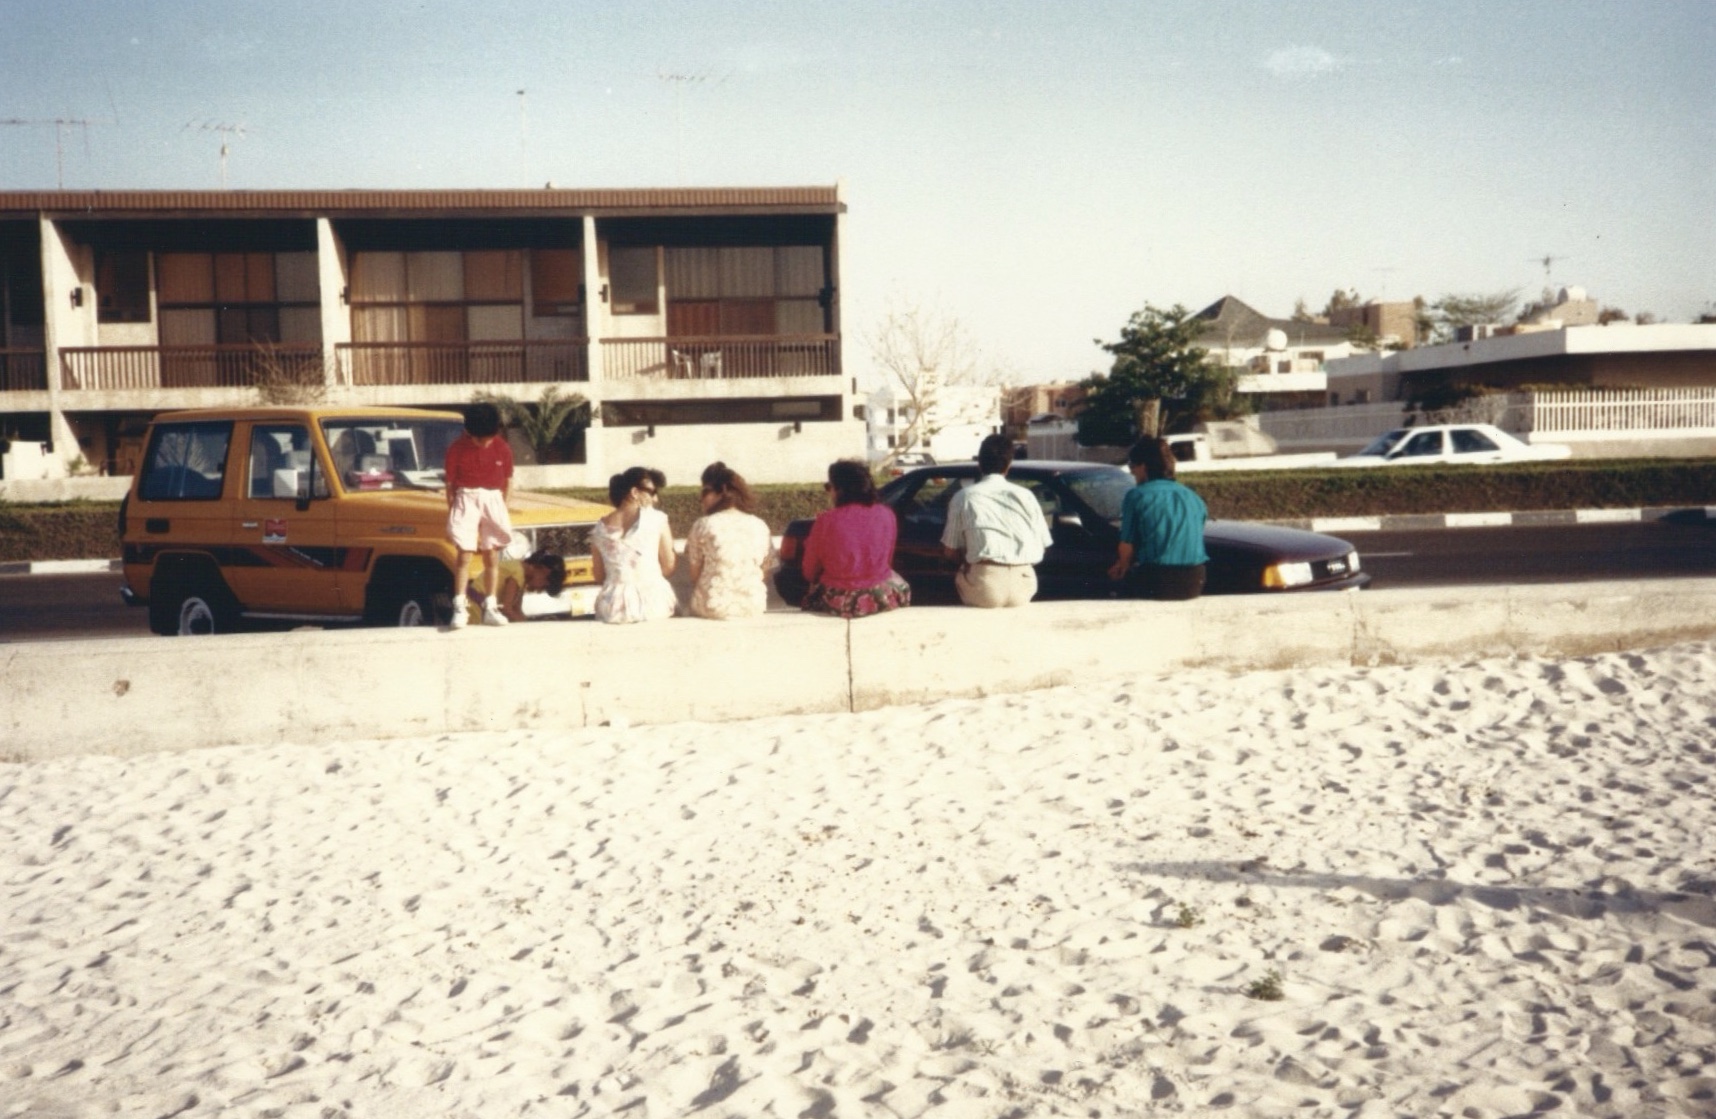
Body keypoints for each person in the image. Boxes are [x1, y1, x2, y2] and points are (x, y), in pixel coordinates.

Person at [940, 433, 1054, 608]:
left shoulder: (963, 497)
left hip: (984, 586)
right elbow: (1044, 543)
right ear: (1008, 466)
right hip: (1024, 585)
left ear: (979, 463)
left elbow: (949, 551)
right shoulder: (1027, 496)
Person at [800, 459, 910, 618]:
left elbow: (809, 572)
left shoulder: (825, 521)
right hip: (881, 596)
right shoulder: (886, 515)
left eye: (829, 487)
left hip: (838, 599)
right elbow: (887, 561)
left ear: (840, 489)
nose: (829, 492)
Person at [1106, 435, 1209, 601]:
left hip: (1158, 579)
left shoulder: (1137, 495)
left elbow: (1126, 544)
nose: (1131, 470)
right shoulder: (1193, 496)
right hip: (1194, 580)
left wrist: (1122, 565)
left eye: (1133, 465)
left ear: (1144, 466)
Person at [444, 402, 514, 628]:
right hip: (466, 498)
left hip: (493, 499)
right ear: (468, 433)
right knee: (464, 554)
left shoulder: (502, 447)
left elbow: (508, 480)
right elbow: (450, 485)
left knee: (491, 553)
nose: (485, 443)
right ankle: (459, 607)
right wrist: (453, 511)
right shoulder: (456, 449)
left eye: (489, 439)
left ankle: (491, 606)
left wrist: (503, 506)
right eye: (479, 439)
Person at [686, 462, 777, 619]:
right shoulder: (759, 525)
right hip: (753, 606)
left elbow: (695, 574)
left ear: (722, 491)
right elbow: (765, 571)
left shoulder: (703, 525)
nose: (701, 500)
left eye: (705, 492)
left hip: (713, 607)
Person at [590, 466, 677, 623]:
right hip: (652, 602)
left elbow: (599, 575)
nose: (655, 499)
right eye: (652, 492)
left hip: (611, 606)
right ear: (634, 492)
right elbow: (669, 566)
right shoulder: (657, 520)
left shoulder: (599, 529)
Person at [465, 550, 568, 622]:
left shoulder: (521, 574)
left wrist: (528, 625)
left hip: (480, 608)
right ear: (542, 570)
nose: (540, 589)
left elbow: (516, 609)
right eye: (544, 584)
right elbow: (507, 609)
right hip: (475, 609)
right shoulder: (518, 572)